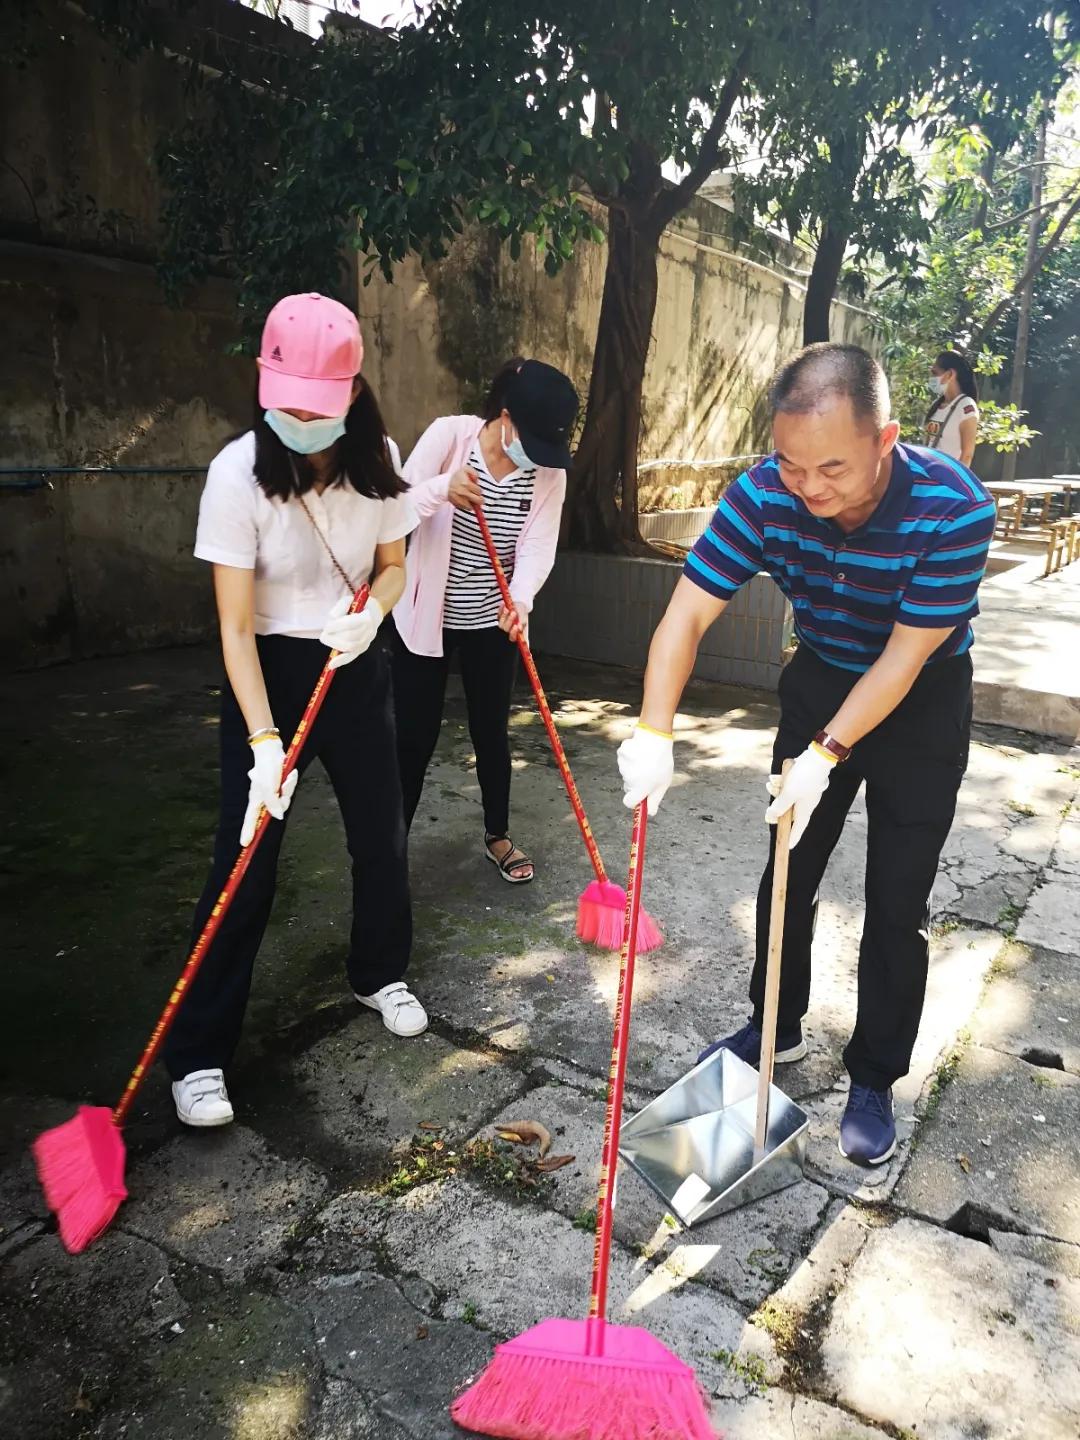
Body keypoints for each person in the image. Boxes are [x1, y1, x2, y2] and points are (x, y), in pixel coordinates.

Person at [617, 343, 995, 1166]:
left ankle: (873, 1075)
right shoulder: (762, 496)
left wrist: (827, 755)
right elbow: (685, 616)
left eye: (832, 468)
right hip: (823, 672)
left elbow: (904, 660)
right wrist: (653, 729)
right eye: (792, 465)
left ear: (886, 439)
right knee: (787, 863)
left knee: (897, 898)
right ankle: (776, 1025)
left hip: (922, 693)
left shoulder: (955, 506)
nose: (810, 489)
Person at [165, 292, 427, 1129]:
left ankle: (378, 970)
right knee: (245, 861)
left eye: (317, 408)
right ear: (262, 385)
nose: (300, 422)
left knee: (381, 836)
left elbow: (393, 564)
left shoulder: (378, 457)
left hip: (352, 662)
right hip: (269, 671)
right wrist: (262, 743)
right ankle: (199, 1056)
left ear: (351, 394)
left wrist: (374, 614)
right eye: (285, 406)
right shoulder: (236, 474)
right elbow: (235, 626)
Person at [392, 359, 579, 884]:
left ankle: (497, 835)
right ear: (505, 417)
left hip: (492, 621)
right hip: (423, 617)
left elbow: (540, 546)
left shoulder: (547, 473)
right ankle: (391, 844)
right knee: (413, 736)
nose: (538, 456)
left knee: (491, 732)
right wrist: (440, 490)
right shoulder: (449, 438)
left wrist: (520, 600)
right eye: (533, 439)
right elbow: (392, 509)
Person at [924, 350, 979, 466]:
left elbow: (967, 454)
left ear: (950, 374)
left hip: (948, 478)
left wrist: (957, 482)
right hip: (929, 475)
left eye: (935, 373)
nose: (931, 378)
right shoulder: (936, 405)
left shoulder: (966, 407)